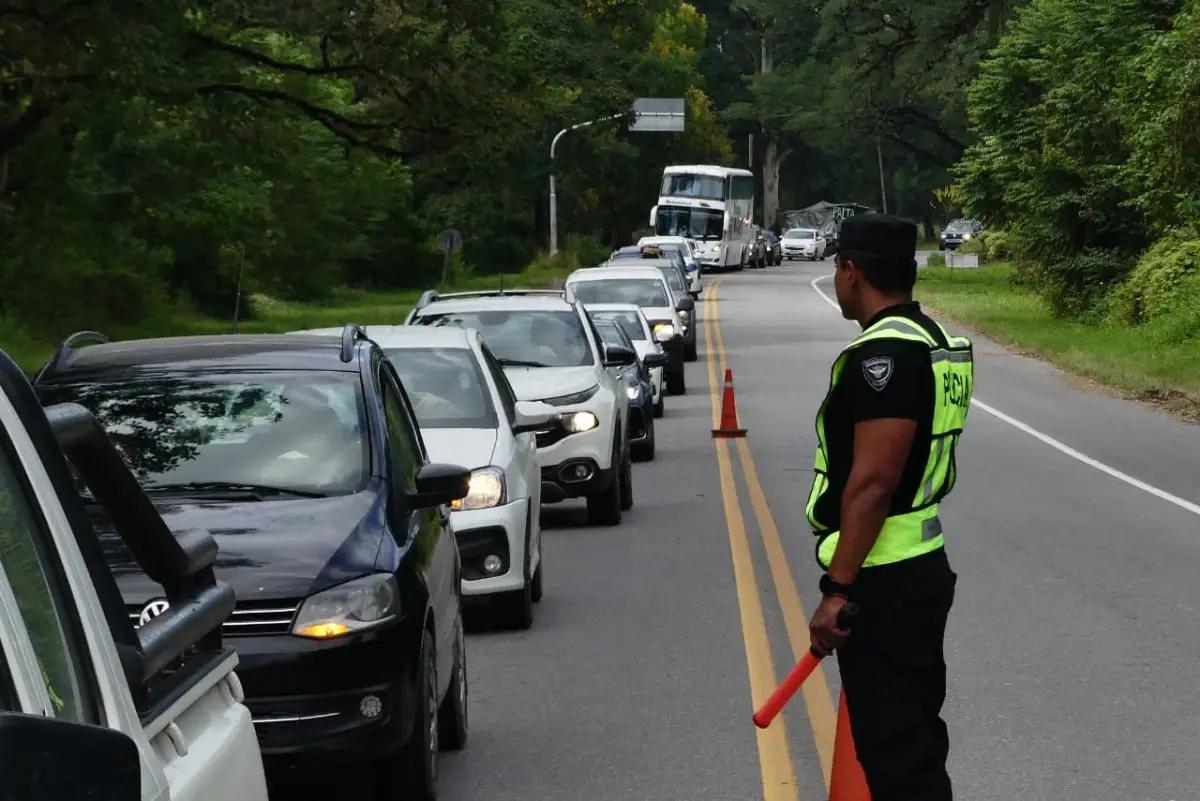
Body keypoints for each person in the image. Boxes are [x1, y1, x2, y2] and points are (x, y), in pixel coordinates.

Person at [804, 213, 975, 800]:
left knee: (897, 758)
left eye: (835, 268)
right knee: (915, 744)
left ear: (852, 272)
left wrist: (838, 589)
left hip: (884, 580)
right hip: (921, 564)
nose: (835, 280)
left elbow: (874, 483)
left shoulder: (886, 356)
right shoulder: (935, 342)